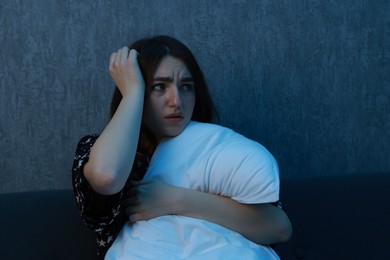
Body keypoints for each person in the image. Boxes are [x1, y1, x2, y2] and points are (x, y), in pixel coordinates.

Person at [72, 35, 292, 259]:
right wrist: (132, 91)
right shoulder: (97, 149)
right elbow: (106, 176)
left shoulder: (214, 147)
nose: (176, 101)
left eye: (186, 87)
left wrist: (176, 200)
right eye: (159, 87)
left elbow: (279, 228)